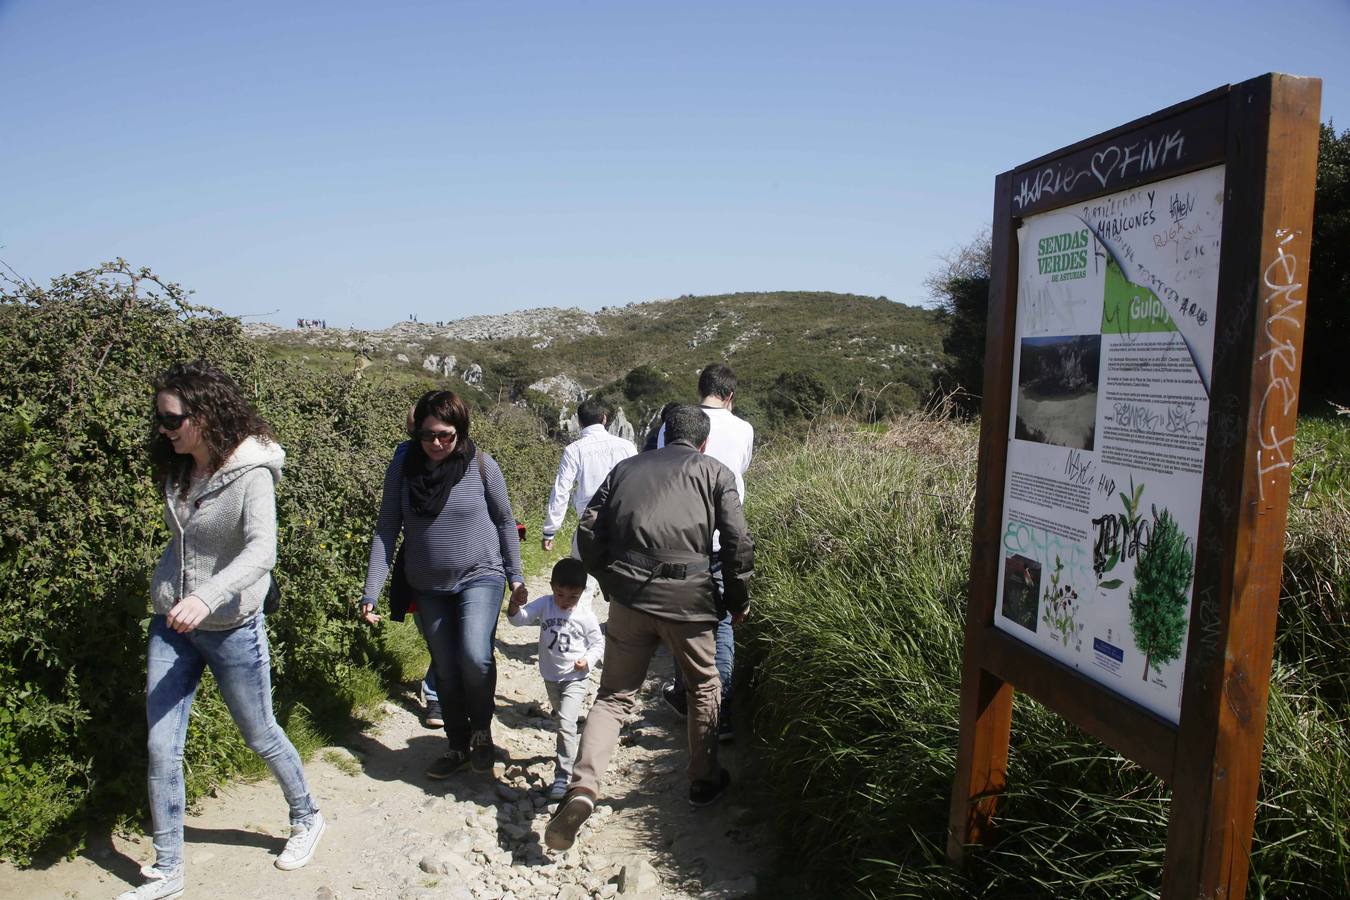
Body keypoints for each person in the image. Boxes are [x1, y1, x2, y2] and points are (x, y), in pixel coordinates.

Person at [120, 361, 323, 900]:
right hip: (172, 623)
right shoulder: (179, 467)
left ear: (204, 415)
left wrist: (206, 595)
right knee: (163, 746)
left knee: (259, 734)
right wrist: (175, 591)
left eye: (171, 419)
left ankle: (307, 817)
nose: (161, 428)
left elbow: (263, 550)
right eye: (159, 419)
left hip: (231, 624)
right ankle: (168, 868)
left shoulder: (252, 472)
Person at [545, 405, 754, 852]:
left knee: (614, 696)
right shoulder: (716, 472)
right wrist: (737, 600)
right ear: (702, 443)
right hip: (691, 599)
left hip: (631, 599)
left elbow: (588, 528)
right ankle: (703, 781)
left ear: (661, 437)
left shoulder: (626, 468)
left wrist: (609, 578)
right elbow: (737, 542)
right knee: (703, 687)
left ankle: (582, 788)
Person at [358, 391, 527, 777]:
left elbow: (504, 521)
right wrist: (372, 590)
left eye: (446, 435)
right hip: (428, 582)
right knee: (447, 668)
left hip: (481, 574)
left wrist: (515, 576)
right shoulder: (403, 466)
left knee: (474, 655)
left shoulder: (482, 465)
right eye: (429, 435)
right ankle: (457, 745)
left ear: (460, 432)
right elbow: (387, 527)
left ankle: (481, 732)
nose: (437, 443)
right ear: (417, 433)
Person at [658, 364, 754, 739]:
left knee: (685, 623)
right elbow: (741, 469)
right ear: (730, 395)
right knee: (725, 625)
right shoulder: (743, 428)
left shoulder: (677, 423)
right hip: (725, 538)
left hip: (679, 538)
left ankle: (686, 696)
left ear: (701, 390)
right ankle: (722, 710)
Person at [506, 558, 605, 801]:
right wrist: (514, 604)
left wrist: (588, 661)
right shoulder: (546, 605)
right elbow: (519, 620)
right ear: (552, 587)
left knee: (566, 723)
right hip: (550, 677)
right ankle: (571, 748)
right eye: (560, 594)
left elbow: (598, 643)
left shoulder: (585, 615)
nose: (564, 601)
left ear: (582, 593)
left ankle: (564, 775)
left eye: (572, 597)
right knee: (562, 719)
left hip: (575, 677)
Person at [541, 398, 637, 572]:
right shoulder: (627, 446)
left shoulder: (574, 450)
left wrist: (550, 530)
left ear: (579, 421)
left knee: (582, 581)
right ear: (605, 419)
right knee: (620, 582)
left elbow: (561, 490)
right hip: (622, 521)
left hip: (589, 524)